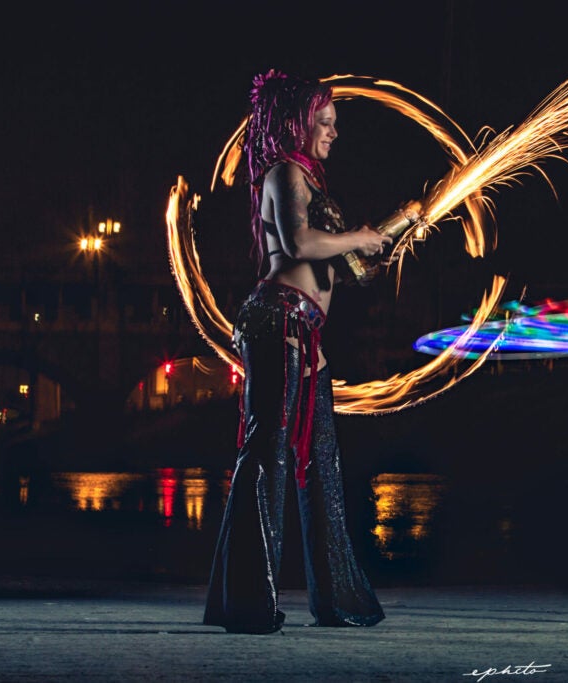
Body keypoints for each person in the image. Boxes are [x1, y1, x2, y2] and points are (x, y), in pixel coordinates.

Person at [203, 70, 394, 633]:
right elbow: (298, 244)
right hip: (276, 326)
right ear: (296, 124)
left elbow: (338, 266)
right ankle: (247, 603)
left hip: (307, 337)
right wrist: (356, 238)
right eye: (325, 123)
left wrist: (384, 239)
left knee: (323, 470)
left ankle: (340, 601)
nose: (334, 133)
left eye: (335, 123)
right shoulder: (284, 172)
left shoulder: (310, 181)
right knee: (267, 461)